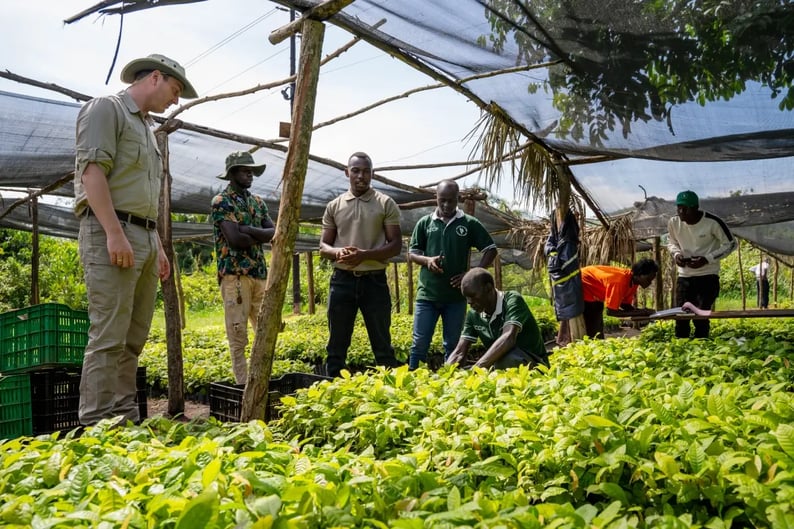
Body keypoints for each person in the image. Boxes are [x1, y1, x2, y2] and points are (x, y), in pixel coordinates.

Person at [74, 54, 197, 425]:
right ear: (156, 78)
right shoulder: (105, 110)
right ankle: (95, 425)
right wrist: (113, 233)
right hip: (110, 229)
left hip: (143, 236)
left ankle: (124, 420)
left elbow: (146, 194)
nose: (174, 100)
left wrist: (157, 245)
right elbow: (92, 172)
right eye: (175, 91)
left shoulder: (147, 130)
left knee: (133, 337)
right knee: (109, 333)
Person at [319, 152, 403, 377]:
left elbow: (395, 245)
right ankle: (333, 388)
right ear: (347, 173)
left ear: (372, 174)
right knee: (336, 345)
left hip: (374, 281)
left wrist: (364, 255)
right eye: (355, 170)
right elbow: (324, 247)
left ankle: (390, 393)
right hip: (342, 281)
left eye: (366, 171)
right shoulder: (334, 206)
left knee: (382, 345)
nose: (361, 176)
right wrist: (339, 252)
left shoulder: (385, 203)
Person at [407, 180, 497, 369]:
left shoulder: (469, 223)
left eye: (451, 201)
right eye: (442, 200)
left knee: (454, 346)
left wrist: (472, 273)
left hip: (456, 298)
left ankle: (452, 385)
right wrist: (428, 260)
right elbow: (412, 253)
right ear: (436, 198)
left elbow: (490, 249)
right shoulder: (425, 223)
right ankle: (412, 383)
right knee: (419, 344)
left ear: (459, 199)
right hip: (427, 295)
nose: (447, 205)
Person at [211, 151, 276, 384]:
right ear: (232, 173)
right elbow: (234, 240)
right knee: (238, 335)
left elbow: (273, 232)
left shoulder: (257, 202)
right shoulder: (222, 201)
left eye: (252, 171)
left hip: (259, 274)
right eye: (245, 170)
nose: (250, 174)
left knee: (265, 331)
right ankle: (242, 384)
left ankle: (262, 382)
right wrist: (255, 233)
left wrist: (247, 229)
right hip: (234, 277)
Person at [446, 268, 548, 370]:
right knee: (464, 372)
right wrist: (446, 373)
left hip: (535, 363)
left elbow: (508, 338)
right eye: (466, 297)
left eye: (473, 296)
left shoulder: (512, 300)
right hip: (502, 364)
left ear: (488, 288)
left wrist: (477, 368)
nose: (469, 302)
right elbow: (459, 352)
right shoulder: (473, 315)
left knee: (506, 360)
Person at [667, 190, 737, 338]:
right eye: (678, 207)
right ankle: (681, 346)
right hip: (684, 276)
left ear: (695, 208)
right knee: (681, 315)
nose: (681, 212)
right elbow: (671, 243)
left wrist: (707, 259)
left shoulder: (713, 222)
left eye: (685, 208)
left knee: (701, 315)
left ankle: (701, 345)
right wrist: (677, 254)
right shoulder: (673, 222)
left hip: (707, 276)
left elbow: (730, 244)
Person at [580, 258, 658, 339]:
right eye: (648, 279)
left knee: (597, 317)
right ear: (639, 274)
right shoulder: (619, 281)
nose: (649, 283)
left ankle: (594, 342)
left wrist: (641, 311)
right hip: (582, 285)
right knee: (592, 317)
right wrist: (640, 312)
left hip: (593, 292)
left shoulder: (633, 282)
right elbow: (611, 311)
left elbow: (625, 305)